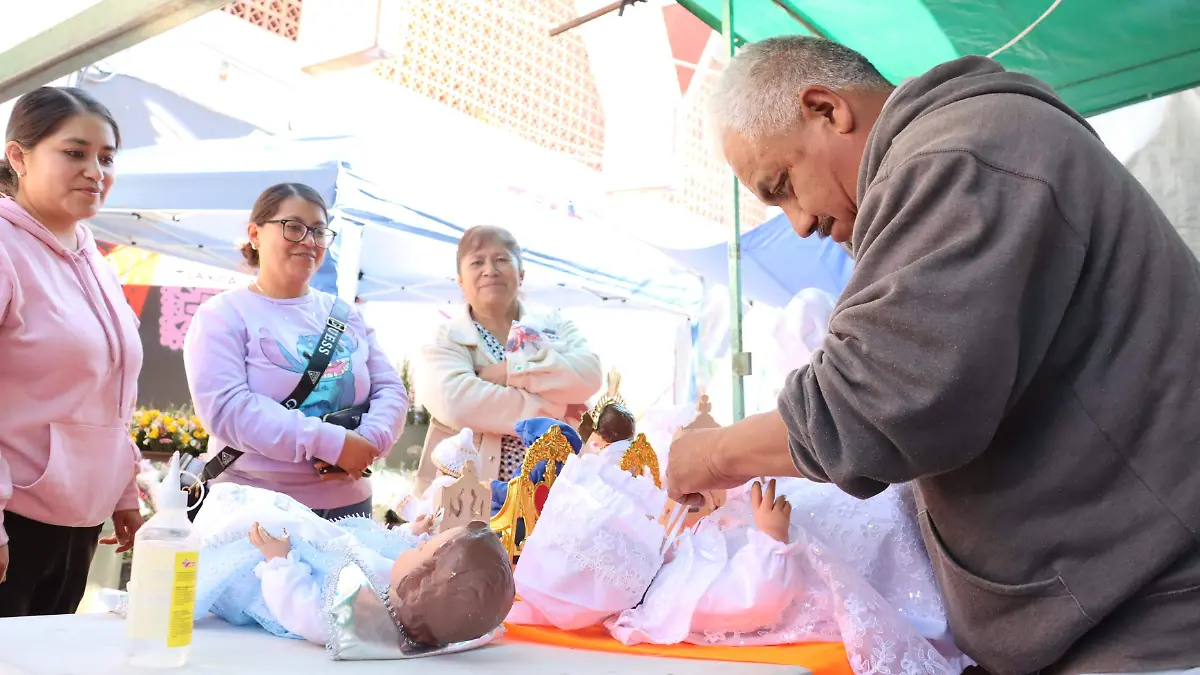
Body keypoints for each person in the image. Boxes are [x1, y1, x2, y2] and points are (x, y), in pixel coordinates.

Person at [666, 36, 1200, 675]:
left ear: (826, 109)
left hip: (1149, 621)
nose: (799, 222)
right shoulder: (963, 148)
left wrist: (709, 454)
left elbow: (867, 405)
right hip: (1119, 612)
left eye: (783, 185)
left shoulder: (961, 156)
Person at [509, 453, 969, 674]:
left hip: (792, 534)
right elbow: (758, 599)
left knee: (838, 503)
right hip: (805, 569)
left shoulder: (660, 571)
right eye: (624, 526)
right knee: (875, 529)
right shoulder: (673, 602)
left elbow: (706, 548)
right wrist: (769, 539)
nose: (641, 518)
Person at [0, 87, 145, 616]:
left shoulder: (97, 259)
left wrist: (124, 491)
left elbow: (111, 393)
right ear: (19, 156)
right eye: (74, 152)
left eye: (106, 158)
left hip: (81, 521)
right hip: (14, 518)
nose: (95, 170)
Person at [184, 183, 408, 520]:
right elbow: (228, 408)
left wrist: (365, 442)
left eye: (319, 231)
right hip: (255, 511)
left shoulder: (346, 314)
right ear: (255, 234)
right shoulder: (224, 314)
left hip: (349, 510)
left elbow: (390, 389)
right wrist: (333, 444)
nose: (308, 241)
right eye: (293, 227)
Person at [103, 482, 514, 655]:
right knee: (262, 512)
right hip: (310, 545)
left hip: (270, 579)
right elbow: (376, 551)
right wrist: (406, 531)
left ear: (419, 578)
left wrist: (279, 563)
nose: (420, 544)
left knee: (240, 538)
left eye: (428, 547)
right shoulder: (402, 589)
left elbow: (301, 609)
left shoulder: (361, 616)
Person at [412, 225, 602, 495]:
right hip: (467, 497)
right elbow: (456, 403)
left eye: (501, 259)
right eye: (477, 262)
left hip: (555, 492)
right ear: (460, 281)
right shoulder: (445, 339)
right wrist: (559, 408)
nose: (490, 270)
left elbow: (590, 374)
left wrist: (511, 372)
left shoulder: (555, 324)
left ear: (521, 274)